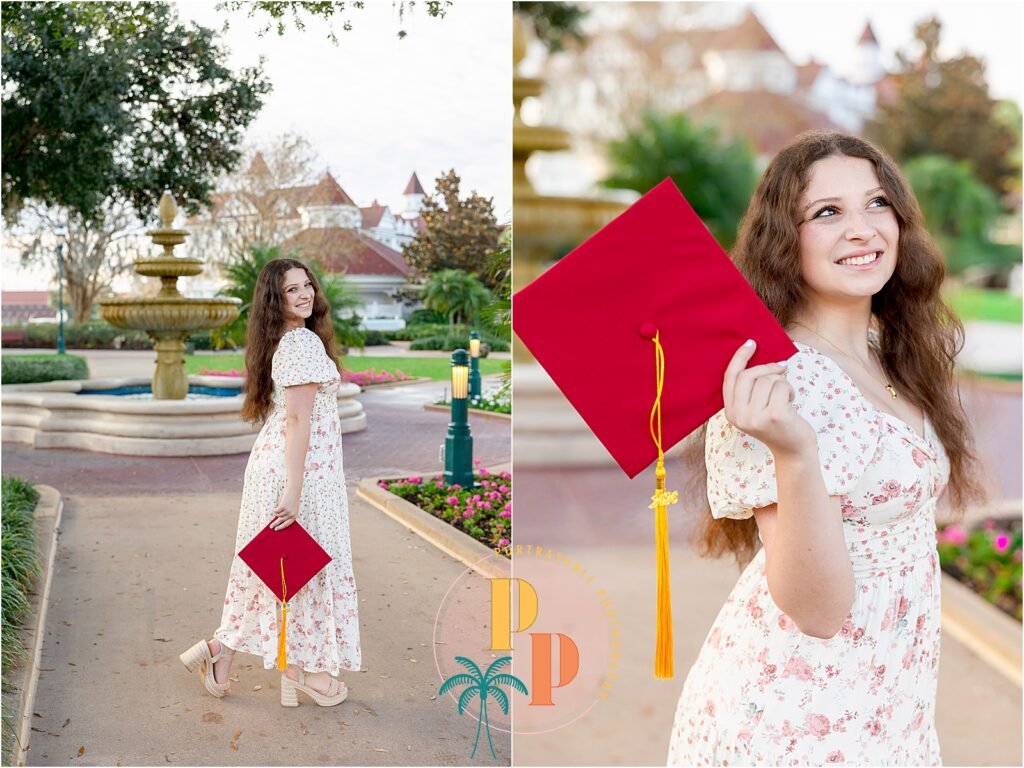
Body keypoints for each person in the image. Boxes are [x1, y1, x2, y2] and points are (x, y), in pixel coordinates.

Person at [667, 131, 983, 765]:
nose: (863, 229)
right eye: (827, 212)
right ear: (786, 239)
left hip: (889, 706)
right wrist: (794, 455)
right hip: (798, 722)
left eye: (877, 204)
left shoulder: (886, 350)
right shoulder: (770, 381)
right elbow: (816, 610)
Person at [180, 257, 361, 707]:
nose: (304, 295)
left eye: (307, 286)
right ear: (274, 300)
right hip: (298, 473)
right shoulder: (299, 343)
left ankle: (223, 651)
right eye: (291, 290)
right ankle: (310, 673)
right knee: (306, 570)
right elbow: (299, 419)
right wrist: (294, 489)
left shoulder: (286, 340)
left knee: (279, 569)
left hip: (284, 468)